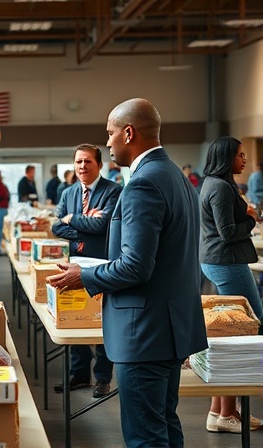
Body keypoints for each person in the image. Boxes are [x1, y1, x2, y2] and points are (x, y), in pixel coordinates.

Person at [46, 98, 208, 448]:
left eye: (110, 133)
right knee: (164, 423)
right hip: (173, 326)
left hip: (145, 332)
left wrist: (83, 276)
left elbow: (136, 265)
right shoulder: (176, 177)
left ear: (129, 133)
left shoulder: (143, 184)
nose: (108, 142)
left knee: (145, 436)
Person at [199, 136, 263, 434]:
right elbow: (227, 232)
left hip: (220, 261)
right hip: (226, 261)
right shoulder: (221, 187)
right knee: (246, 330)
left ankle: (222, 411)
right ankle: (226, 413)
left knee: (230, 333)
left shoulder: (214, 184)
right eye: (240, 155)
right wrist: (250, 217)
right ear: (227, 157)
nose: (245, 159)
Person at [50, 144, 122, 398]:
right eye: (79, 162)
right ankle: (79, 374)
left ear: (99, 165)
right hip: (74, 264)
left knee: (102, 323)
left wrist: (73, 219)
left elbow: (104, 225)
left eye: (88, 161)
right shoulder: (68, 192)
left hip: (103, 264)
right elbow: (56, 227)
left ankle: (103, 377)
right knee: (74, 317)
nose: (82, 166)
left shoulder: (114, 191)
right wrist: (84, 225)